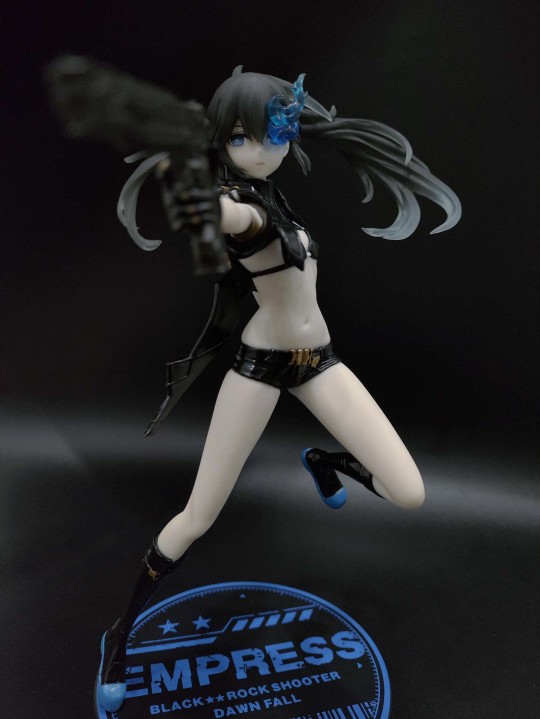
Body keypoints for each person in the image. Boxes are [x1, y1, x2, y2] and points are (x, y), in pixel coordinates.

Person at [97, 68, 461, 712]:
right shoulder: (240, 204)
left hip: (319, 361)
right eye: (240, 138)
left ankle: (324, 462)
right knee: (198, 516)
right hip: (262, 367)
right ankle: (119, 637)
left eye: (274, 134)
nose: (261, 150)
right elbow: (226, 216)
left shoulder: (272, 193)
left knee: (409, 492)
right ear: (221, 141)